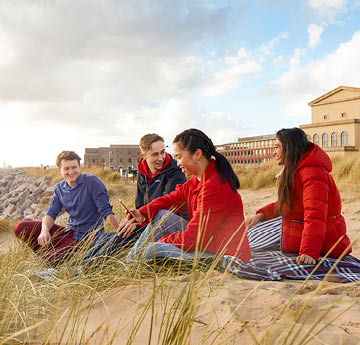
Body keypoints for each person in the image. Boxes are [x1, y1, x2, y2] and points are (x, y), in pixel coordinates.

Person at [119, 128, 251, 263]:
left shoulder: (214, 187)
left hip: (224, 253)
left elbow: (193, 240)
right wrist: (143, 213)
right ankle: (130, 263)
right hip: (208, 241)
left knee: (153, 249)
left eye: (179, 157)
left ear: (197, 154)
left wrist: (165, 239)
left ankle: (131, 264)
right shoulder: (197, 179)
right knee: (162, 216)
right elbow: (171, 198)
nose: (177, 163)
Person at [245, 127, 352, 265]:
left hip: (326, 241)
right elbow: (289, 205)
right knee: (252, 231)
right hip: (299, 230)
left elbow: (315, 215)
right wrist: (261, 215)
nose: (274, 152)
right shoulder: (295, 170)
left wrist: (309, 251)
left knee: (252, 242)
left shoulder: (313, 174)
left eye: (277, 147)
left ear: (290, 148)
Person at [14, 151, 122, 266]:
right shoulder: (60, 187)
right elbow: (50, 213)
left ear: (79, 167)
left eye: (74, 167)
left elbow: (106, 212)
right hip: (67, 232)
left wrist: (119, 236)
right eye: (66, 169)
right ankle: (48, 253)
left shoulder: (92, 182)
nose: (71, 172)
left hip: (85, 240)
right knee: (20, 227)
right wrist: (44, 231)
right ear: (59, 170)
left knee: (49, 258)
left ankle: (51, 258)